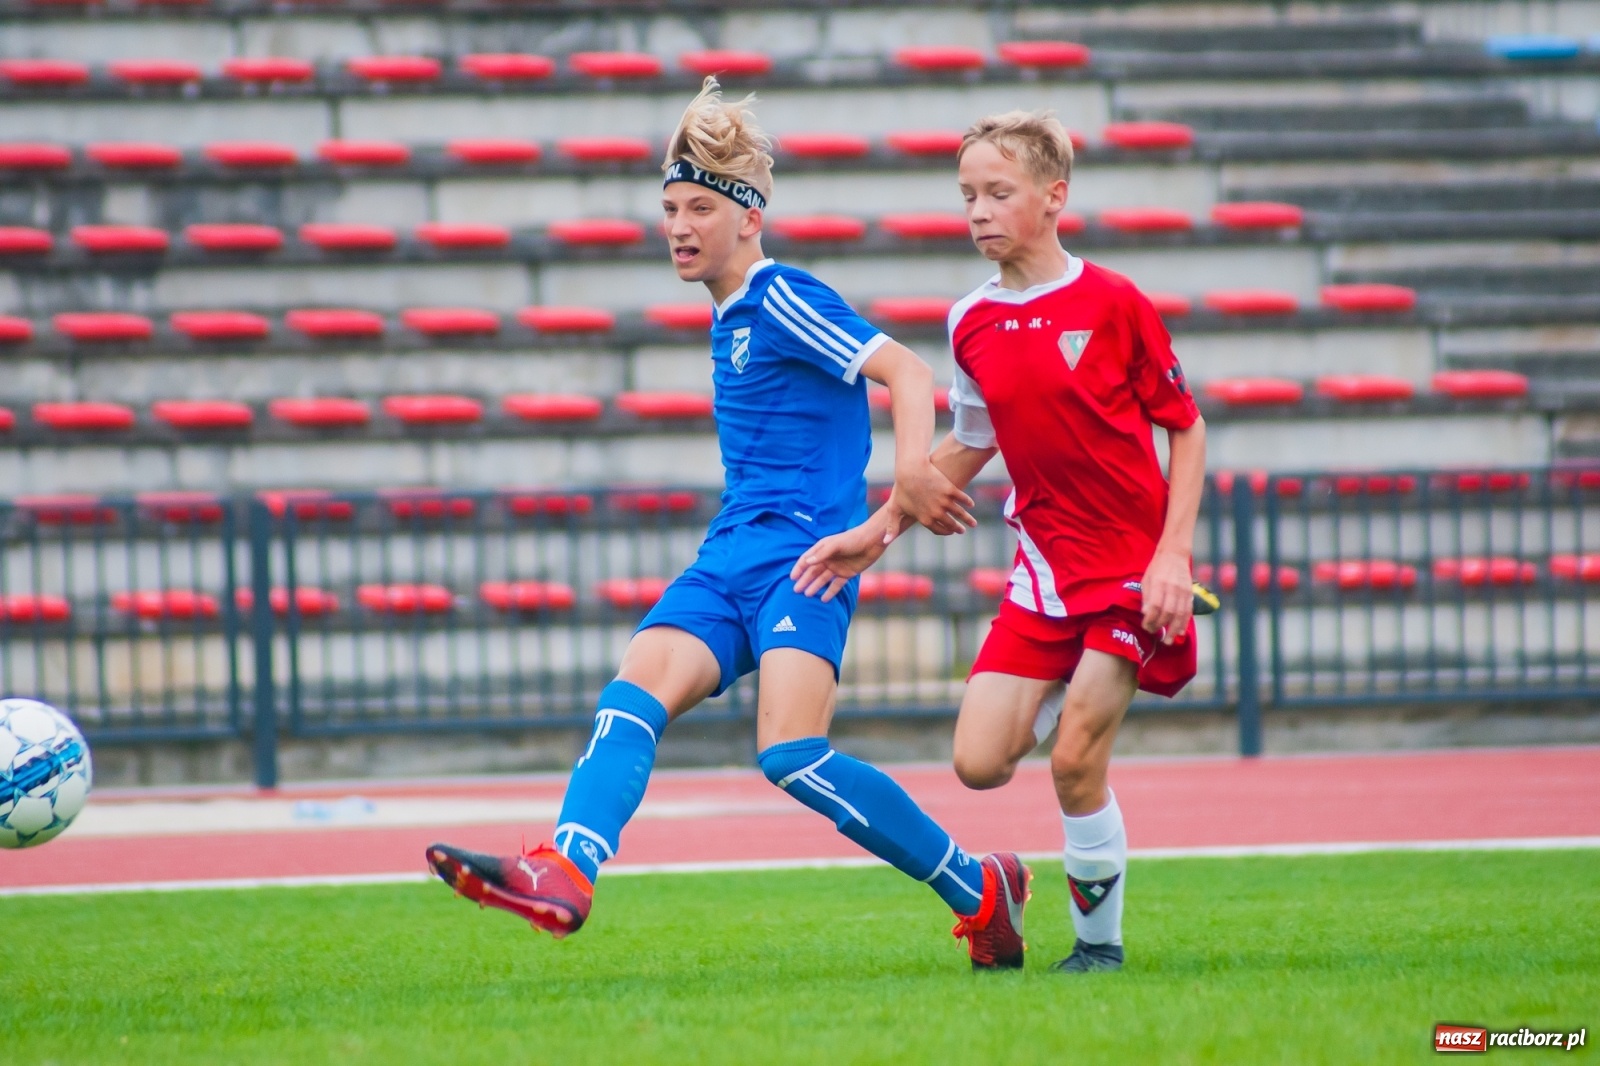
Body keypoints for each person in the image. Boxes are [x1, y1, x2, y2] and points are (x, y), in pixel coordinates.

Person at [426, 79, 1030, 971]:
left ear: (749, 217)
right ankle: (567, 870)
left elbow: (905, 372)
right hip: (727, 556)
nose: (679, 226)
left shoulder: (779, 294)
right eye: (670, 208)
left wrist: (907, 477)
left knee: (791, 755)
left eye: (700, 208)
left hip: (802, 561)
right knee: (631, 695)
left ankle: (977, 888)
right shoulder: (727, 313)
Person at [791, 109, 1207, 974]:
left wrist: (1174, 556)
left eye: (997, 192)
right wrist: (879, 529)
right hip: (1043, 575)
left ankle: (1098, 948)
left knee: (1074, 763)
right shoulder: (970, 320)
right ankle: (1068, 711)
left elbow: (1186, 426)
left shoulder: (1114, 302)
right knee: (978, 763)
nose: (978, 211)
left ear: (1054, 197)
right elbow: (970, 442)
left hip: (1128, 570)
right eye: (967, 195)